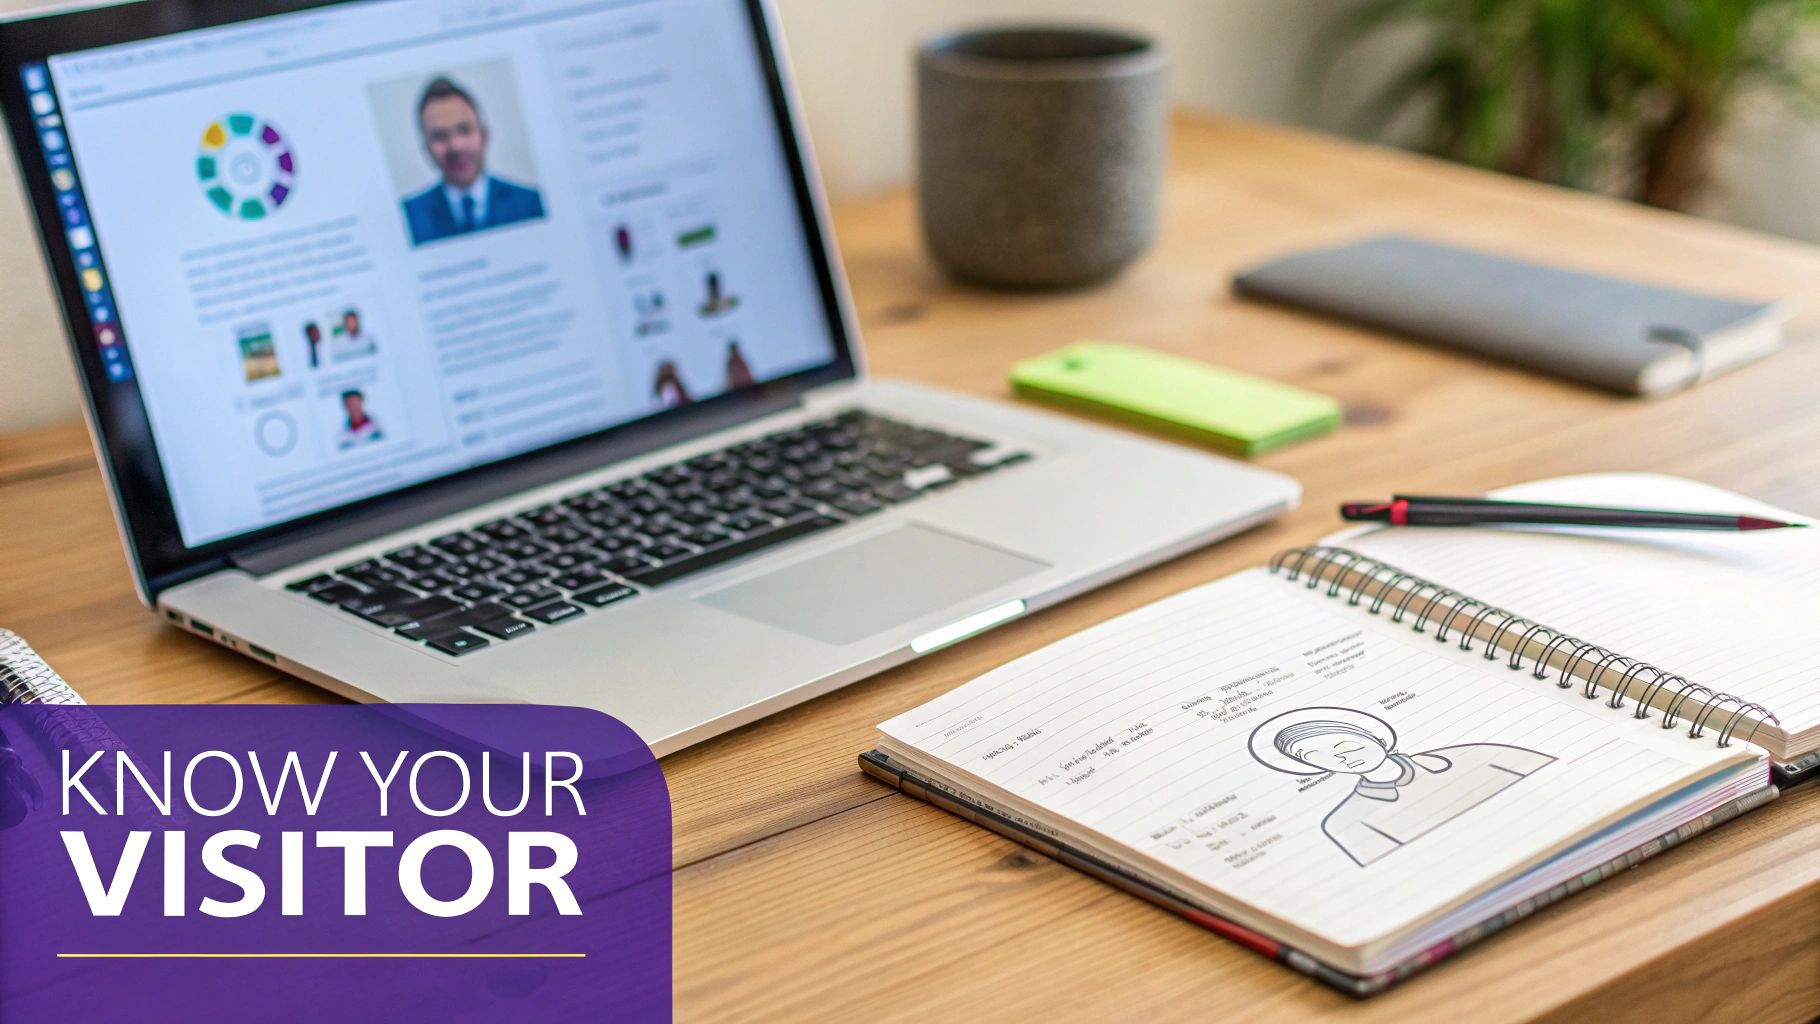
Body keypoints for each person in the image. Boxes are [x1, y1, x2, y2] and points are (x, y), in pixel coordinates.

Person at [1248, 706, 1555, 867]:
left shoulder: (1471, 754)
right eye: (1315, 756)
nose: (1339, 757)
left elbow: (1553, 778)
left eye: (1345, 744)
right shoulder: (1345, 822)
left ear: (1376, 738)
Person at [401, 76, 545, 245]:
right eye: (440, 136)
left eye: (464, 130)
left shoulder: (532, 203)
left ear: (484, 136)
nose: (455, 146)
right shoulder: (408, 217)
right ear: (426, 149)